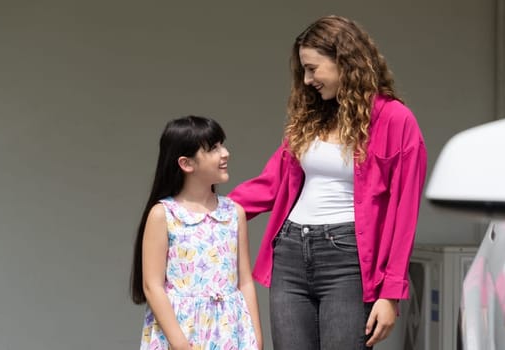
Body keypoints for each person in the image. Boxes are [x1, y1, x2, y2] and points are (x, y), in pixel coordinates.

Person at [228, 15, 427, 350]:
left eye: (313, 68)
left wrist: (391, 294)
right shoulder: (311, 117)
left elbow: (405, 211)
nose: (306, 80)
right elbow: (270, 184)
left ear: (344, 62)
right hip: (290, 252)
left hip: (348, 261)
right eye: (303, 70)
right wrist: (211, 212)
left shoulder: (395, 120)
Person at [130, 116, 263, 350]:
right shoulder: (164, 214)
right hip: (181, 332)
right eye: (213, 148)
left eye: (222, 144)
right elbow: (152, 285)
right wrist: (180, 344)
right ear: (186, 163)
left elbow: (245, 282)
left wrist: (256, 340)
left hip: (230, 331)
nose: (225, 153)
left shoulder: (234, 213)